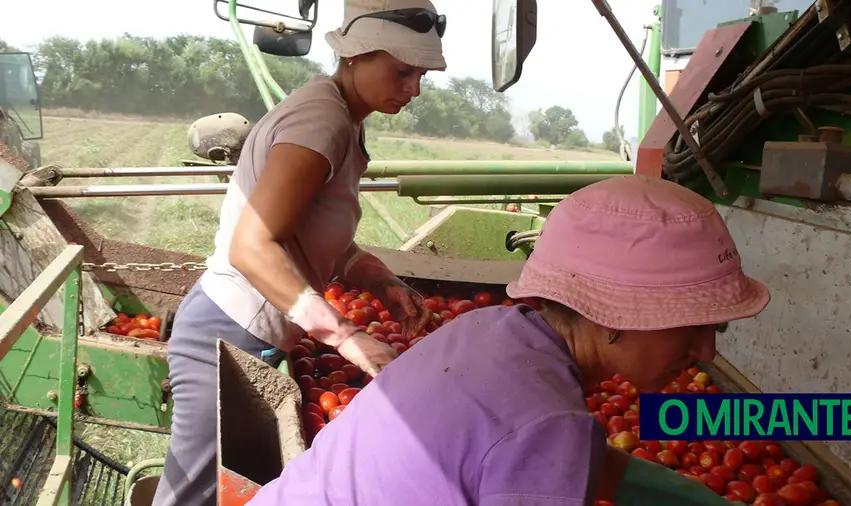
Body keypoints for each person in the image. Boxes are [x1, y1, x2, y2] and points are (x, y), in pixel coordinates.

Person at [247, 175, 772, 506]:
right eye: (693, 325)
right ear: (615, 316)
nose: (706, 352)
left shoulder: (486, 330)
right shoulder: (547, 423)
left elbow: (569, 461)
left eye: (716, 328)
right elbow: (540, 441)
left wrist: (681, 493)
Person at [150, 1, 447, 505]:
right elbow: (252, 246)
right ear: (356, 55)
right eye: (401, 71)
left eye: (420, 74)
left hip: (245, 331)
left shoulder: (343, 116)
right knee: (191, 498)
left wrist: (381, 281)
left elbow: (314, 233)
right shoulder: (322, 122)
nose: (413, 88)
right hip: (223, 336)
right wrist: (347, 337)